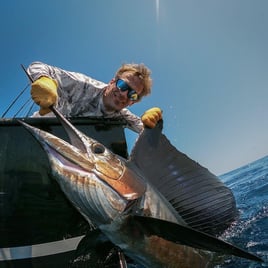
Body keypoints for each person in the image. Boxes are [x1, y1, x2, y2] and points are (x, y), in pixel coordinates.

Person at [28, 61, 162, 133]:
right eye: (122, 85)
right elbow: (37, 66)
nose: (123, 94)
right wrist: (44, 80)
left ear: (133, 102)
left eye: (132, 95)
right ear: (111, 82)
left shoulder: (123, 115)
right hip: (37, 129)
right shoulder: (82, 84)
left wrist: (153, 125)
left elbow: (145, 131)